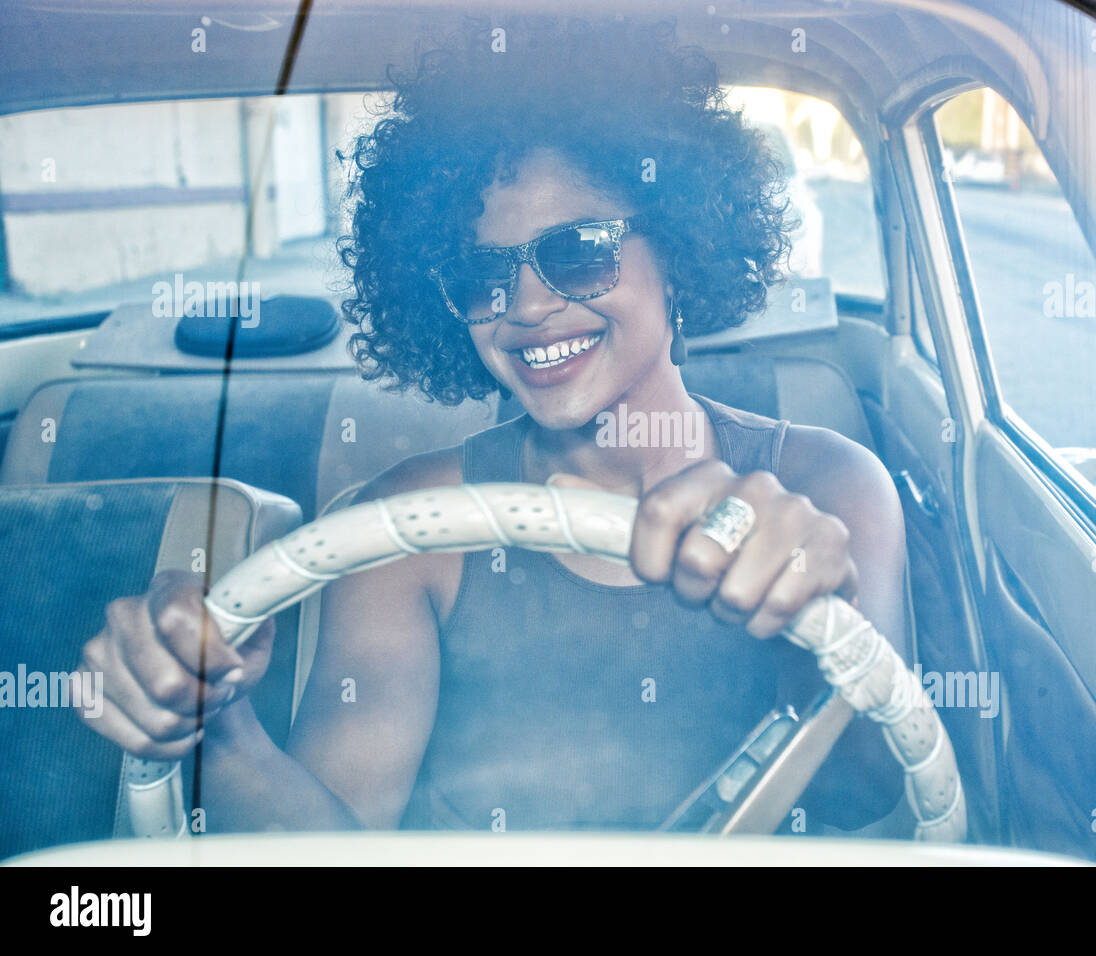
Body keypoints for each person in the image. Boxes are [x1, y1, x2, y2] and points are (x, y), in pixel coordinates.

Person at [78, 16, 909, 835]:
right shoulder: (402, 531)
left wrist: (826, 633)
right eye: (482, 276)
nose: (529, 307)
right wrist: (216, 728)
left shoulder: (831, 489)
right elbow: (330, 854)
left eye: (580, 250)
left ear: (682, 250)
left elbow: (877, 798)